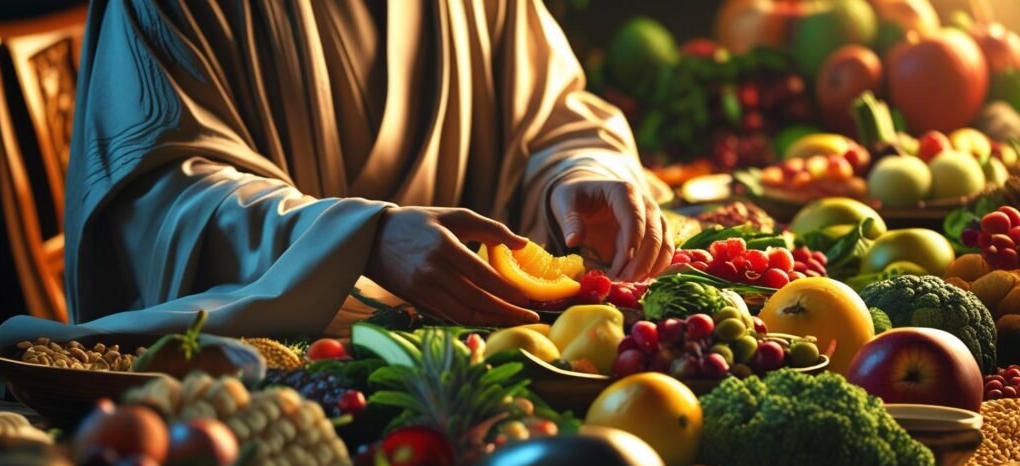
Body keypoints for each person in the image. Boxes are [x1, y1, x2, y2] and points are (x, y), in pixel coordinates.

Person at [64, 0, 673, 337]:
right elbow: (161, 195)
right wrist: (361, 239)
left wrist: (580, 169)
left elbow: (551, 118)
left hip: (486, 366)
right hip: (271, 383)